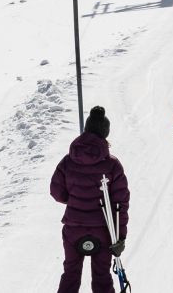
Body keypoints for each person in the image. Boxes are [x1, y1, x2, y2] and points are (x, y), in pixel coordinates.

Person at [50, 105, 130, 293]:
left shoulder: (68, 161)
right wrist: (120, 237)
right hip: (103, 230)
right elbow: (120, 204)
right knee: (102, 276)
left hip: (73, 229)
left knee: (70, 273)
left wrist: (74, 199)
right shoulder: (112, 165)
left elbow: (56, 191)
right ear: (105, 134)